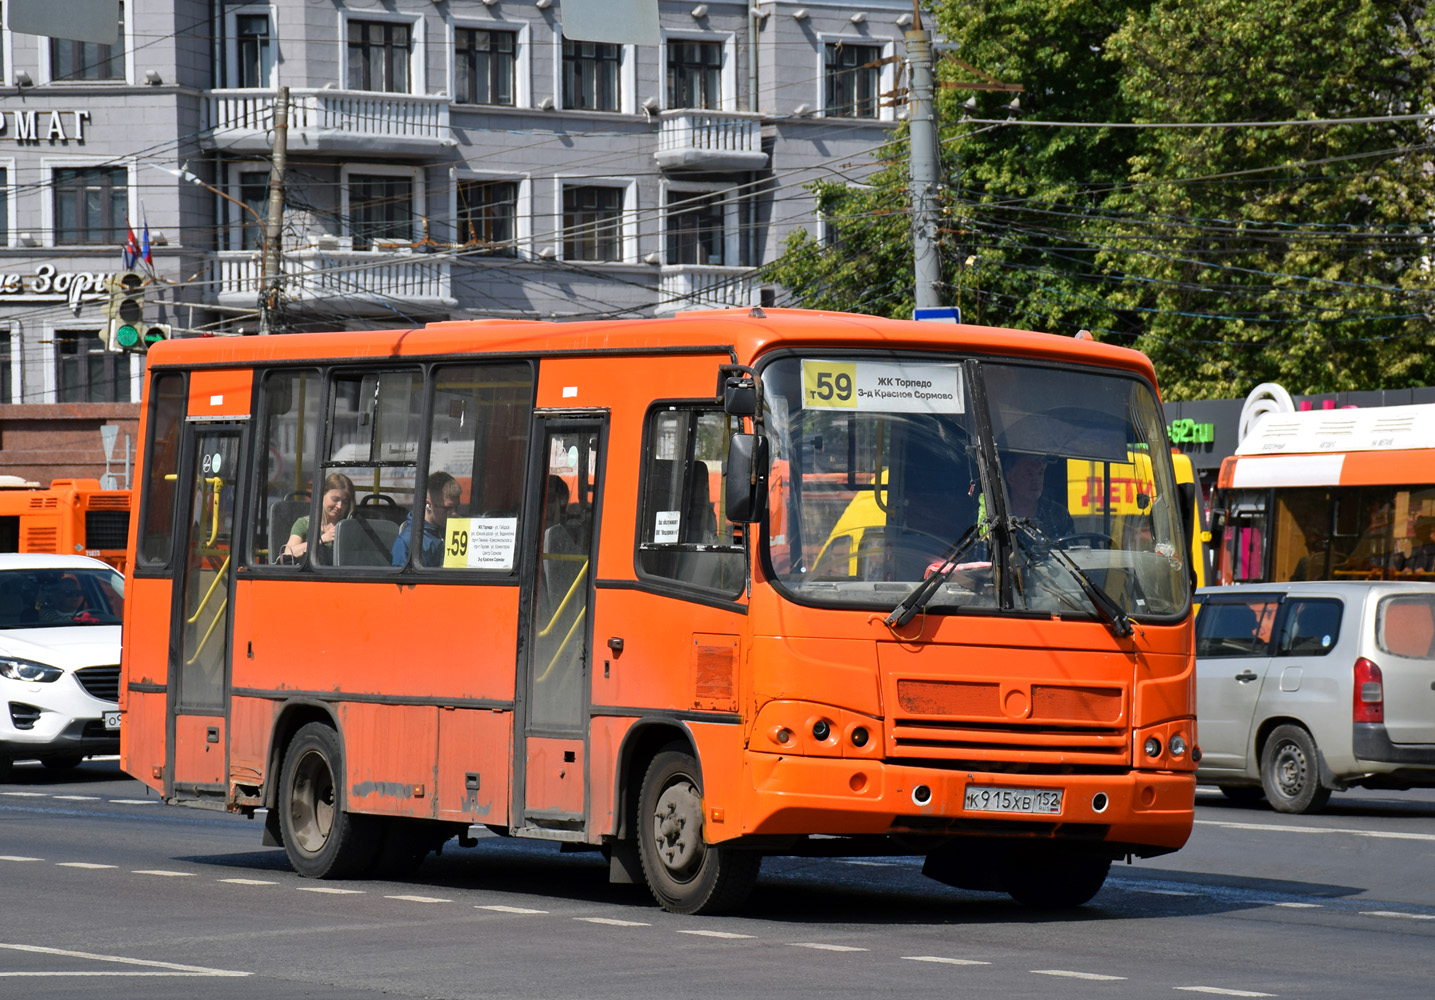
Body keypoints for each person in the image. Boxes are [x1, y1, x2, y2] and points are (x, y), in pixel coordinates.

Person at [281, 473, 354, 565]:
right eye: (335, 499)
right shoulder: (304, 523)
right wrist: (321, 540)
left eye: (345, 502)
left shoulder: (352, 526)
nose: (340, 506)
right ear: (322, 495)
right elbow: (288, 552)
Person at [392, 471, 461, 568]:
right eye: (447, 508)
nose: (454, 514)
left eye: (456, 507)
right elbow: (403, 582)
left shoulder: (457, 531)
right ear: (428, 504)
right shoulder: (408, 542)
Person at [1002, 451, 1074, 539]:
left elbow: (1073, 550)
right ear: (1010, 478)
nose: (1036, 480)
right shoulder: (1000, 516)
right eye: (1029, 474)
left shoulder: (1059, 515)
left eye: (1040, 473)